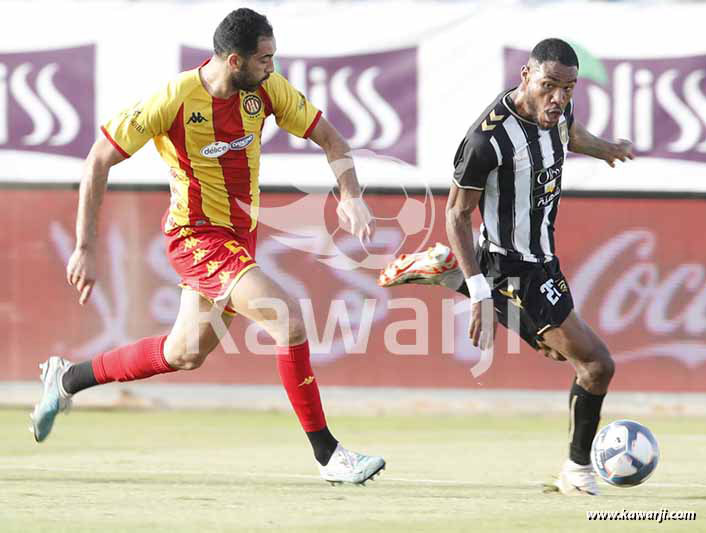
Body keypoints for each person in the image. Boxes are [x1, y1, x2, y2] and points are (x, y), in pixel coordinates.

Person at [31, 8, 385, 486]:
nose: (272, 69)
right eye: (265, 60)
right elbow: (98, 159)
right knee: (287, 318)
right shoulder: (175, 98)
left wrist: (352, 196)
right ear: (234, 60)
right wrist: (85, 246)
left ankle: (67, 379)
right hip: (195, 235)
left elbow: (331, 138)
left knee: (183, 353)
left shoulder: (266, 91)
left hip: (239, 239)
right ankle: (329, 456)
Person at [378, 38, 634, 495]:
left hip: (542, 260)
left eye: (568, 88)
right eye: (549, 86)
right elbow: (456, 214)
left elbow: (570, 134)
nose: (558, 98)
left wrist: (607, 149)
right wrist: (479, 290)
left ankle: (447, 273)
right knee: (595, 365)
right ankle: (577, 471)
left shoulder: (556, 111)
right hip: (509, 264)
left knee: (559, 353)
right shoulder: (487, 140)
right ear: (525, 77)